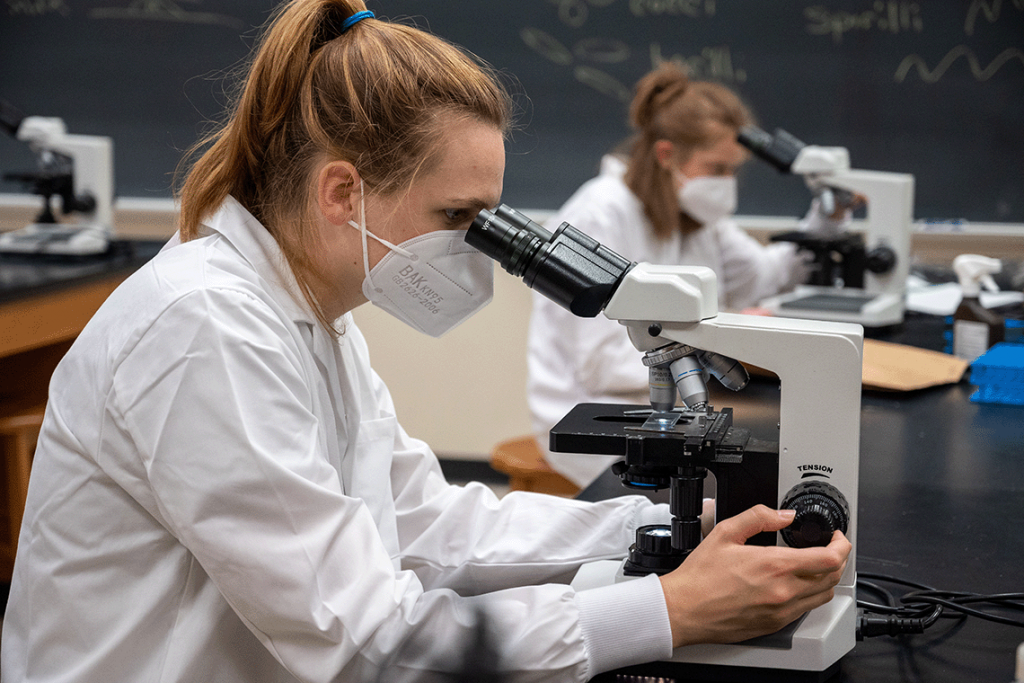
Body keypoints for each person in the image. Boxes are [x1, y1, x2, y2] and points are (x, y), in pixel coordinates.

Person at [0, 4, 851, 682]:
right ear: (343, 190)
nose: (474, 246)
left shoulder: (310, 315)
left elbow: (424, 522)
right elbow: (364, 641)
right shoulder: (205, 328)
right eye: (457, 217)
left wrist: (657, 525)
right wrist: (670, 611)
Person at [527, 63, 854, 489]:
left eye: (734, 171)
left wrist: (827, 221)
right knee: (732, 489)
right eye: (717, 169)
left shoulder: (696, 215)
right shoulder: (600, 214)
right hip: (590, 410)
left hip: (672, 402)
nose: (727, 184)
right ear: (666, 155)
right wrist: (727, 338)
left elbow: (764, 276)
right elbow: (600, 365)